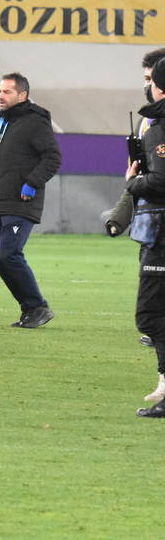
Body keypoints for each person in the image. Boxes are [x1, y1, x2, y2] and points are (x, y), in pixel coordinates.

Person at [0, 73, 62, 329]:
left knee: (9, 253)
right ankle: (30, 309)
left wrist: (32, 183)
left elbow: (53, 158)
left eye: (7, 91)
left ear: (23, 95)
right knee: (0, 258)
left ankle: (38, 306)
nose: (0, 95)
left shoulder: (34, 122)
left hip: (22, 200)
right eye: (0, 90)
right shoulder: (1, 123)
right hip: (0, 200)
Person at [125, 58, 165, 417]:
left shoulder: (159, 127)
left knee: (150, 316)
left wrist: (133, 180)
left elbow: (162, 180)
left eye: (150, 80)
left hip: (162, 232)